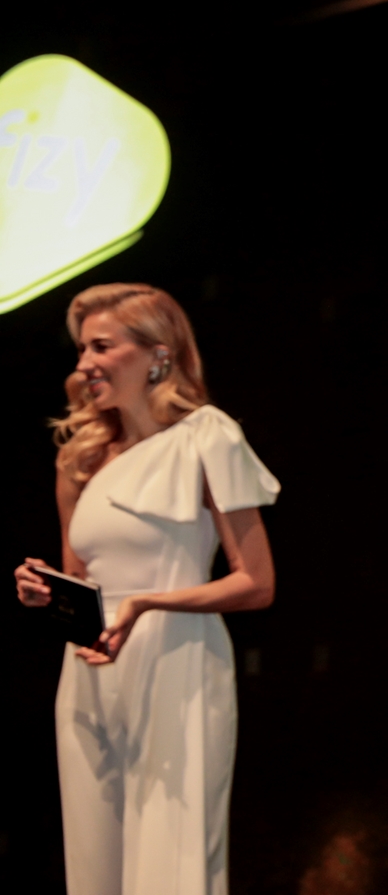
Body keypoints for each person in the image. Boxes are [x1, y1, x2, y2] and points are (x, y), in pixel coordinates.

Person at [13, 283, 279, 895]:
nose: (85, 364)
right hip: (88, 671)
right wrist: (44, 593)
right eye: (82, 349)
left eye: (102, 346)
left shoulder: (207, 436)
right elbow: (79, 583)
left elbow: (257, 583)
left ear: (158, 354)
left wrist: (148, 602)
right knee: (94, 861)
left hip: (177, 660)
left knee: (170, 856)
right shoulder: (81, 458)